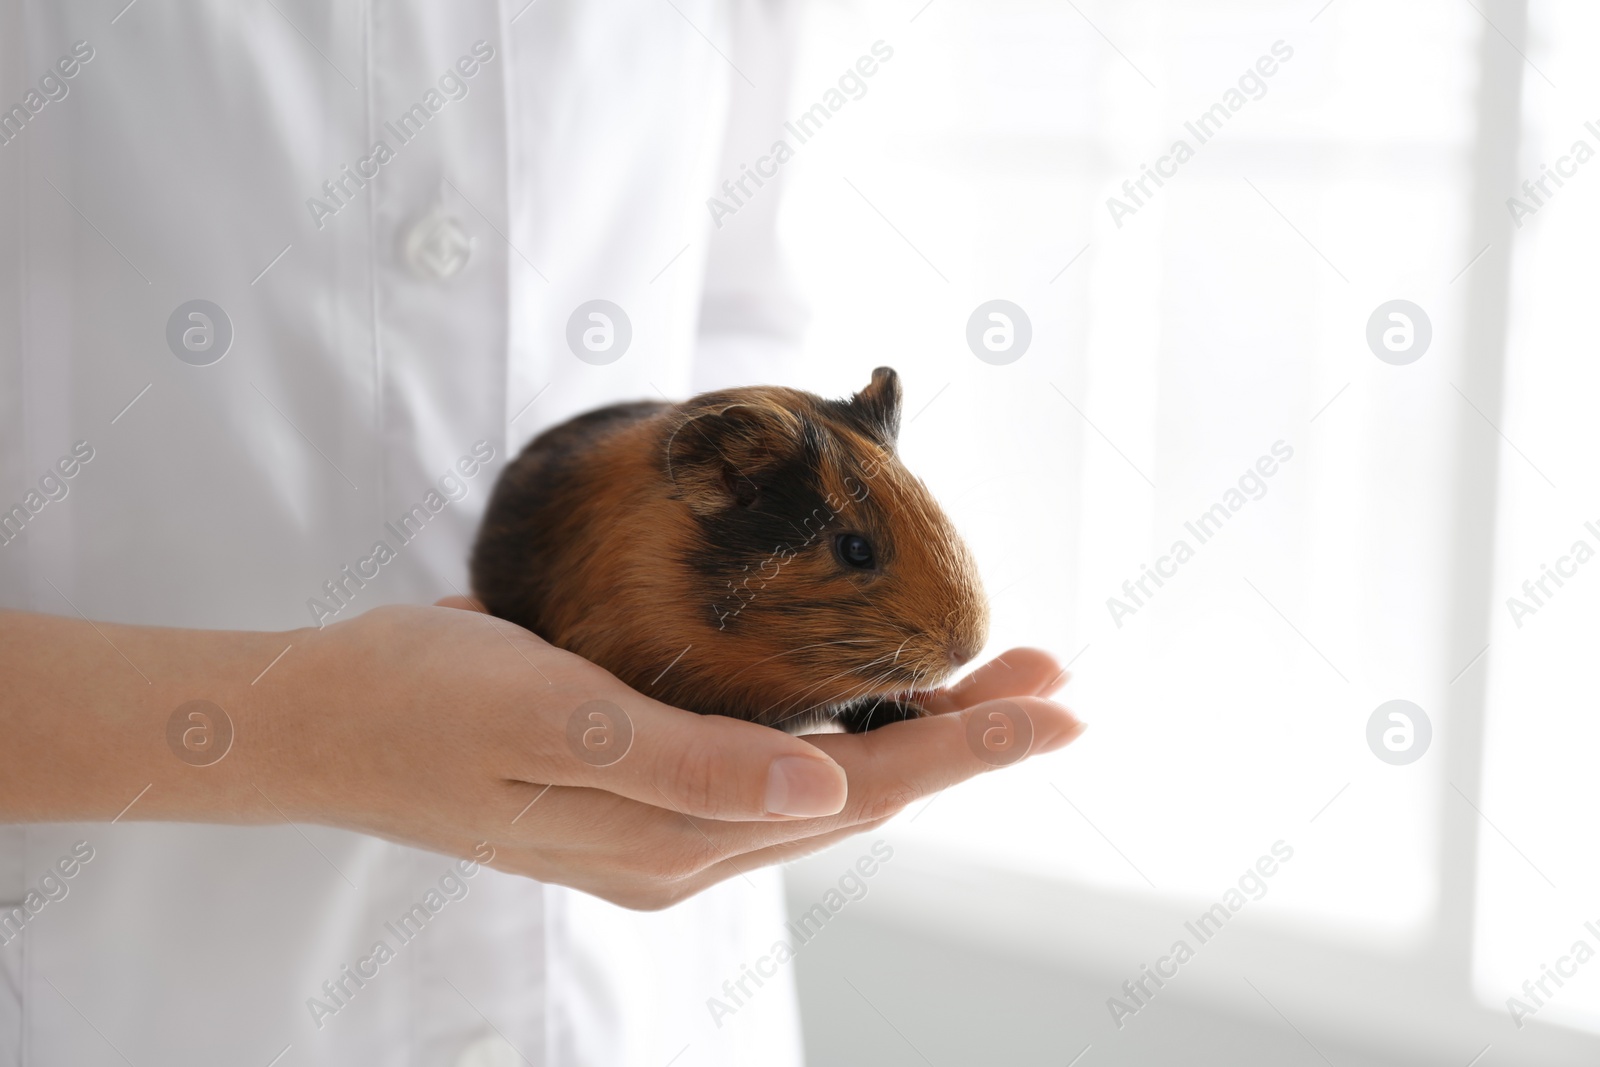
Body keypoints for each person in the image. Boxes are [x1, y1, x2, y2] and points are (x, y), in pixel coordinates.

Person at [0, 2, 1082, 1064]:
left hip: (645, 997)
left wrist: (788, 707)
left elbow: (735, 308)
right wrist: (300, 727)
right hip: (135, 975)